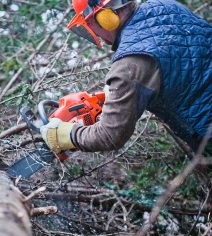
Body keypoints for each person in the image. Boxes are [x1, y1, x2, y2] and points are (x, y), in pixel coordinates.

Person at [40, 0, 212, 156]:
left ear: (103, 16)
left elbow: (110, 135)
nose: (93, 32)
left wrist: (68, 134)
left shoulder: (129, 65)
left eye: (89, 23)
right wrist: (115, 98)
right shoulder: (167, 6)